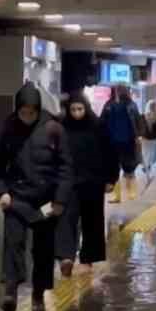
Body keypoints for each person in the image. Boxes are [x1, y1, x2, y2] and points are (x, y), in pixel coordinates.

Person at [0, 84, 73, 311]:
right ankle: (10, 292)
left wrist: (59, 199)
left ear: (38, 110)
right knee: (13, 245)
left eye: (31, 113)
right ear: (17, 110)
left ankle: (38, 294)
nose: (27, 117)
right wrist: (1, 192)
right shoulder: (9, 129)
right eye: (23, 112)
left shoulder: (53, 129)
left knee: (43, 250)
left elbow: (66, 169)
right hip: (17, 198)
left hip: (46, 202)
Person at [56, 93, 117, 275]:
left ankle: (88, 258)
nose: (76, 113)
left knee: (91, 221)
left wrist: (110, 178)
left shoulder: (98, 126)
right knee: (66, 219)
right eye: (73, 109)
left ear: (86, 108)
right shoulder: (62, 127)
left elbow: (110, 153)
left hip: (93, 182)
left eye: (80, 109)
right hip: (69, 182)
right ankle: (66, 256)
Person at [99, 85, 144, 203]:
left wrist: (139, 135)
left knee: (129, 167)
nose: (118, 92)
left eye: (120, 90)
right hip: (111, 142)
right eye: (116, 90)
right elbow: (102, 121)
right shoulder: (108, 105)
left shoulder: (130, 105)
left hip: (128, 141)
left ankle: (131, 192)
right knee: (114, 169)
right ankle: (117, 195)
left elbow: (138, 120)